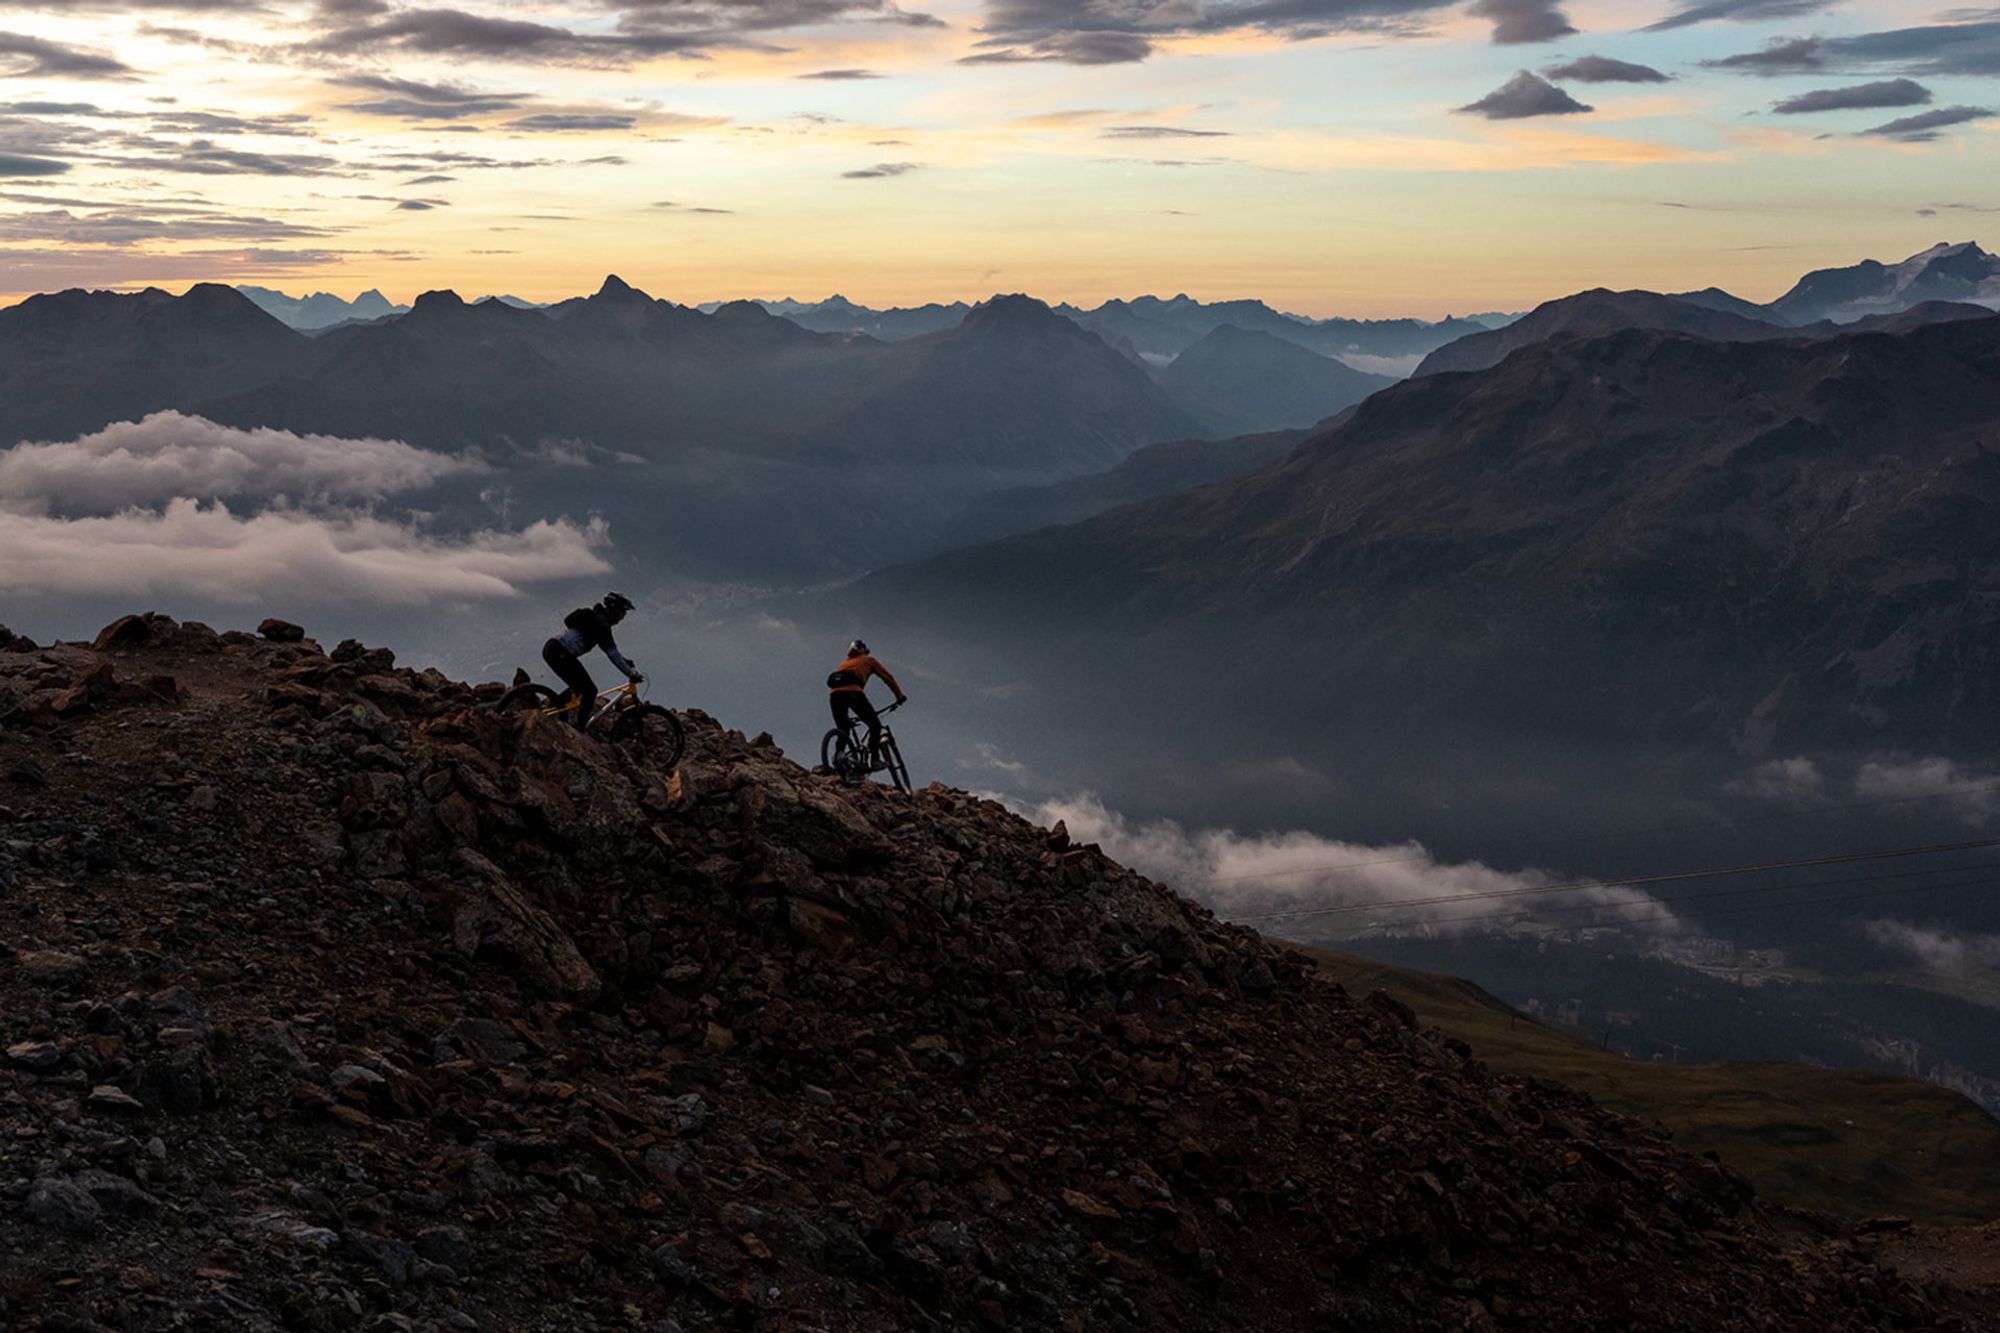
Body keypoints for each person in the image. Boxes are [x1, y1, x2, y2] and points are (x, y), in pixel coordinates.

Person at [543, 592, 643, 729]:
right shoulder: (602, 624)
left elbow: (612, 651)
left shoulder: (598, 620)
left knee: (579, 687)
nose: (622, 618)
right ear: (615, 610)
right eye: (622, 613)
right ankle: (579, 728)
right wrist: (629, 673)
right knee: (590, 690)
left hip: (554, 648)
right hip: (560, 652)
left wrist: (625, 662)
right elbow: (612, 653)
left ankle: (553, 707)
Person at [827, 638, 906, 765]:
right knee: (875, 725)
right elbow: (888, 678)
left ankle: (839, 755)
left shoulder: (843, 665)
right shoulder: (869, 660)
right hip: (853, 693)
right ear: (864, 651)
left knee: (843, 727)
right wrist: (899, 696)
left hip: (834, 695)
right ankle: (874, 758)